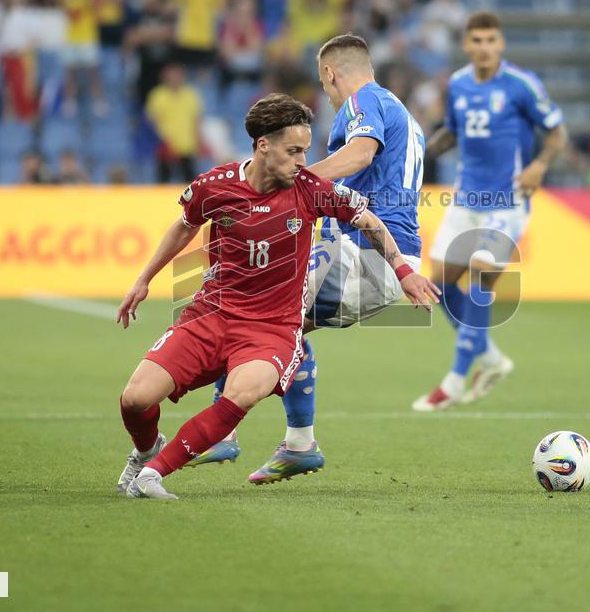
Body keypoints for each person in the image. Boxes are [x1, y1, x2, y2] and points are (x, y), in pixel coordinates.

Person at [114, 93, 439, 499]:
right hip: (211, 314)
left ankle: (154, 475)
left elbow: (369, 221)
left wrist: (403, 271)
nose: (303, 161)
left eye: (305, 150)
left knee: (243, 392)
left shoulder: (309, 190)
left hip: (273, 328)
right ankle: (147, 452)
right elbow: (183, 225)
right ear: (263, 146)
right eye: (294, 151)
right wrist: (144, 279)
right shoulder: (214, 186)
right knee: (135, 398)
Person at [197, 34, 429, 484]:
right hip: (383, 257)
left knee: (250, 310)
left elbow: (361, 153)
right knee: (284, 324)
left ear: (329, 73)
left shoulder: (364, 101)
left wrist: (294, 182)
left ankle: (222, 431)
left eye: (323, 83)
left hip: (364, 251)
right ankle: (299, 444)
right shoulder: (398, 109)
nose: (325, 92)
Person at [415, 11, 568, 410]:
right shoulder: (459, 83)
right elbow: (453, 131)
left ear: (501, 44)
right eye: (477, 40)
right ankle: (491, 359)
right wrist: (418, 154)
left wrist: (539, 165)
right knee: (441, 285)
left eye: (491, 40)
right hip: (467, 198)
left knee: (482, 270)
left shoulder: (521, 86)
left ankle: (453, 381)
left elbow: (556, 131)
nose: (484, 47)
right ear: (466, 45)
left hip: (509, 200)